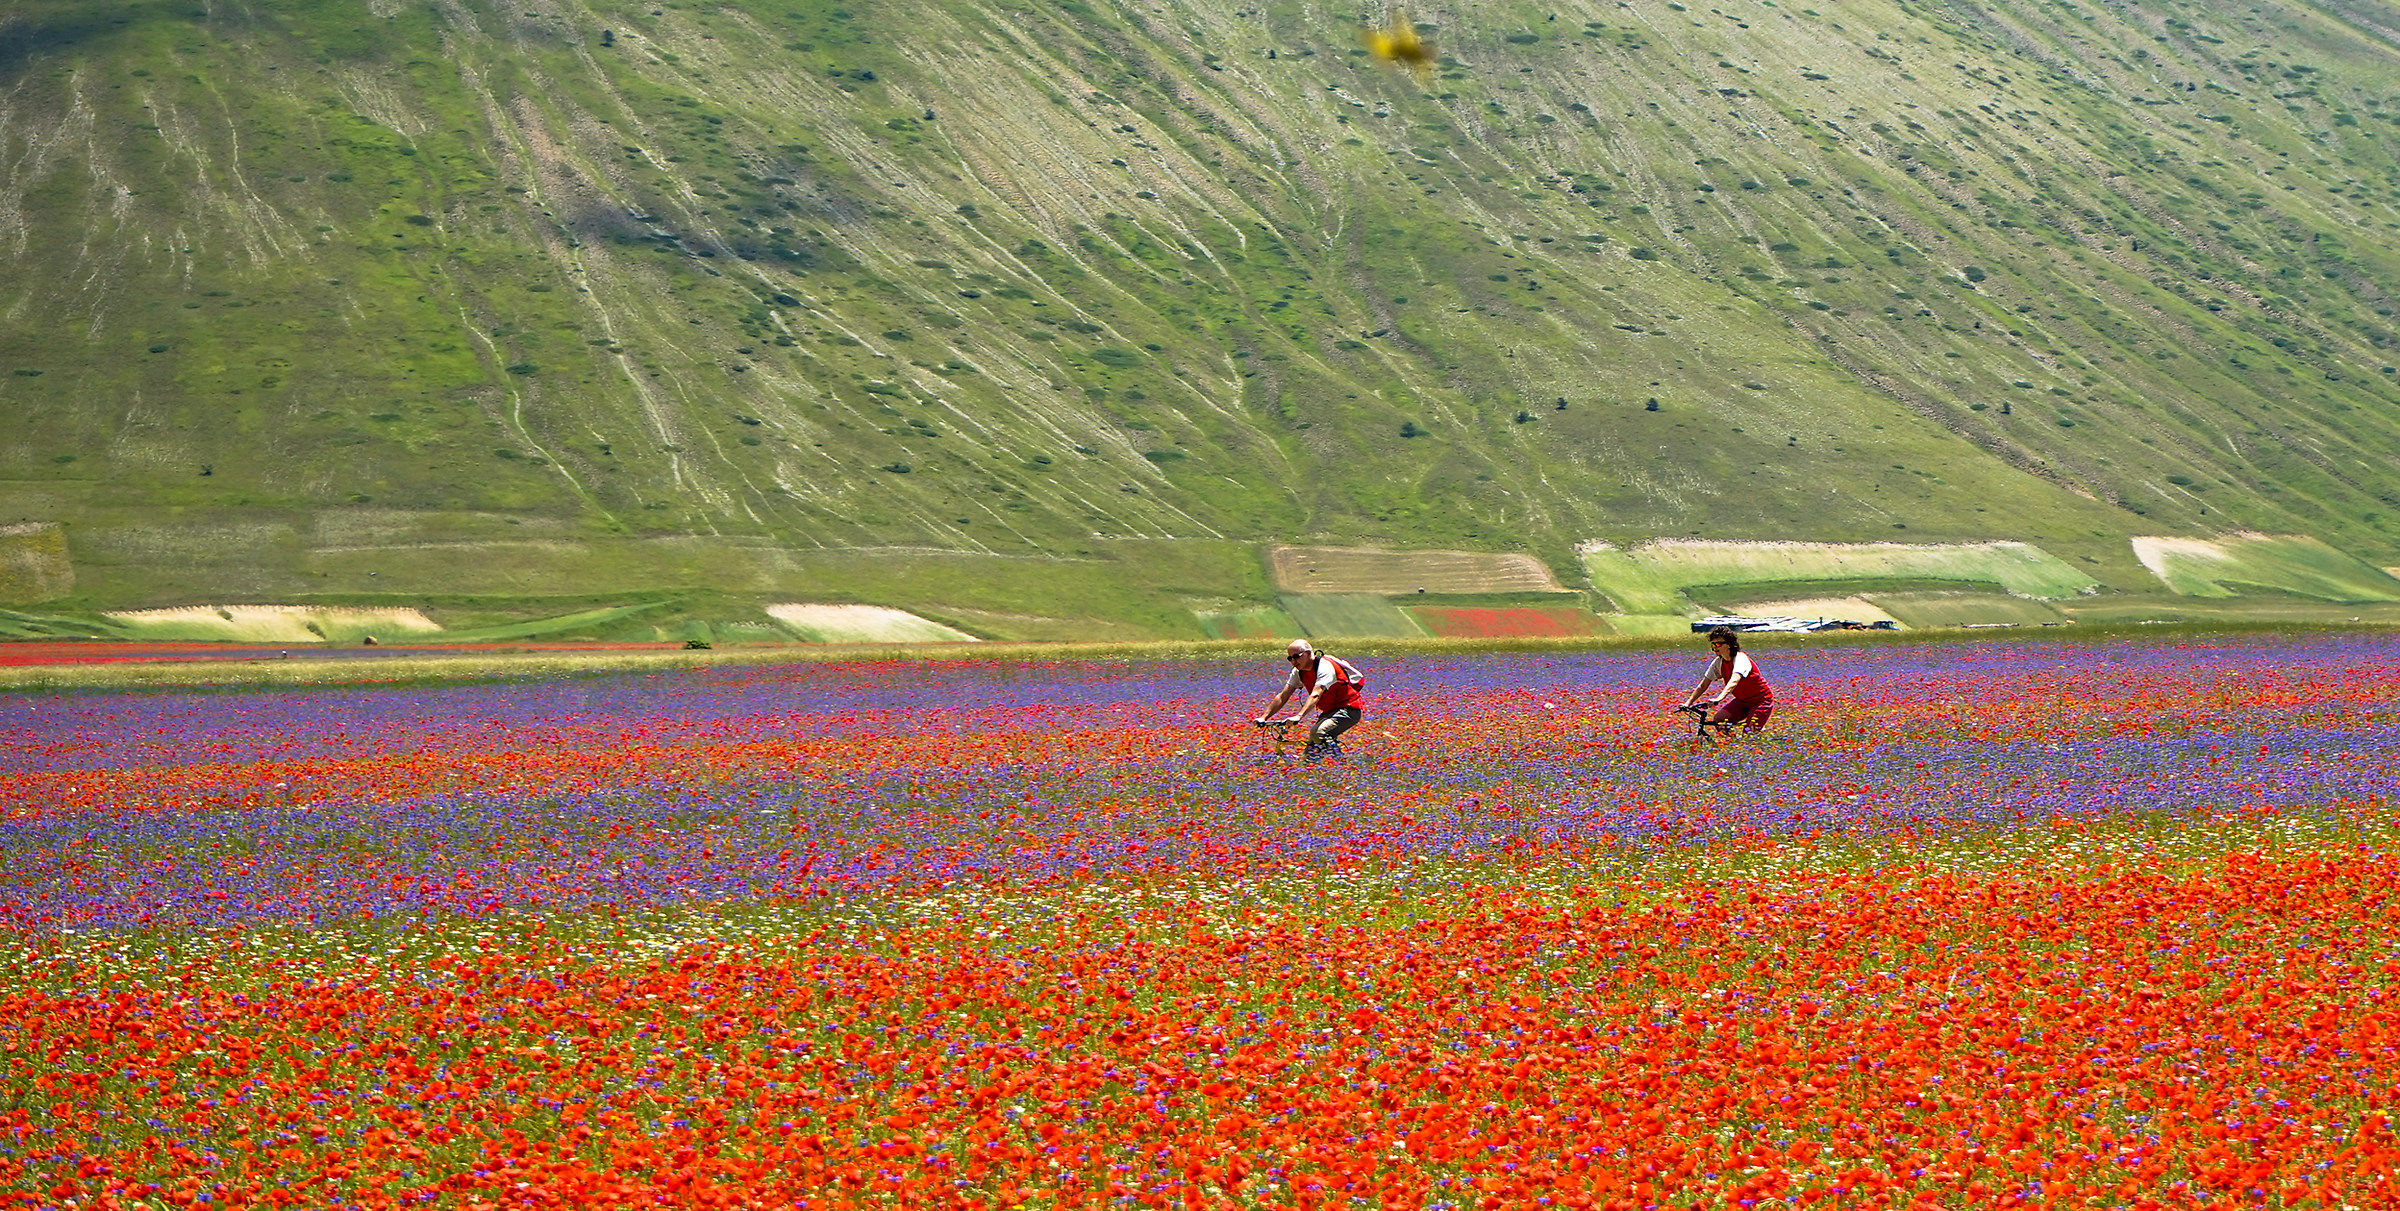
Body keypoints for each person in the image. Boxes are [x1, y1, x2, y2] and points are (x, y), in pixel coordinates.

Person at [1257, 638, 1365, 759]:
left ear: (1309, 653)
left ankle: (1341, 765)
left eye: (1296, 656)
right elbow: (1283, 695)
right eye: (1290, 658)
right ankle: (1319, 771)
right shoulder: (1298, 672)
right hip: (1329, 711)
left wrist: (1299, 716)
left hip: (1348, 710)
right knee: (1310, 756)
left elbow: (1316, 694)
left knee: (1318, 733)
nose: (1293, 661)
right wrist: (1264, 717)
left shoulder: (1325, 666)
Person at [1683, 625, 1773, 742]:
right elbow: (1703, 685)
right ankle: (1735, 745)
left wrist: (1719, 698)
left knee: (1749, 734)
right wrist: (1687, 703)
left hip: (1761, 700)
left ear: (1729, 644)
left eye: (1718, 644)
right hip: (1743, 701)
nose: (1715, 648)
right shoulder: (1718, 662)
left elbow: (1734, 680)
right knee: (1719, 720)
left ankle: (1749, 747)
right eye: (1713, 644)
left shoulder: (1740, 658)